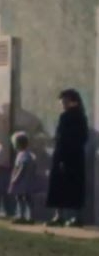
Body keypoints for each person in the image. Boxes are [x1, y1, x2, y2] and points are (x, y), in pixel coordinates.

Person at [46, 89, 88, 227]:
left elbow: (63, 138)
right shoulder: (81, 116)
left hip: (64, 155)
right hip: (76, 156)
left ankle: (60, 215)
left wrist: (61, 155)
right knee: (74, 186)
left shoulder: (67, 117)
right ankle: (75, 216)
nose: (62, 104)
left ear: (71, 101)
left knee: (60, 186)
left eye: (64, 102)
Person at [8, 132, 37, 224]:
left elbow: (22, 166)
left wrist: (16, 178)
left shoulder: (23, 154)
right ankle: (29, 216)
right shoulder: (29, 154)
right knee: (27, 198)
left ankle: (22, 216)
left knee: (20, 198)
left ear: (18, 144)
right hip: (28, 180)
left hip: (22, 181)